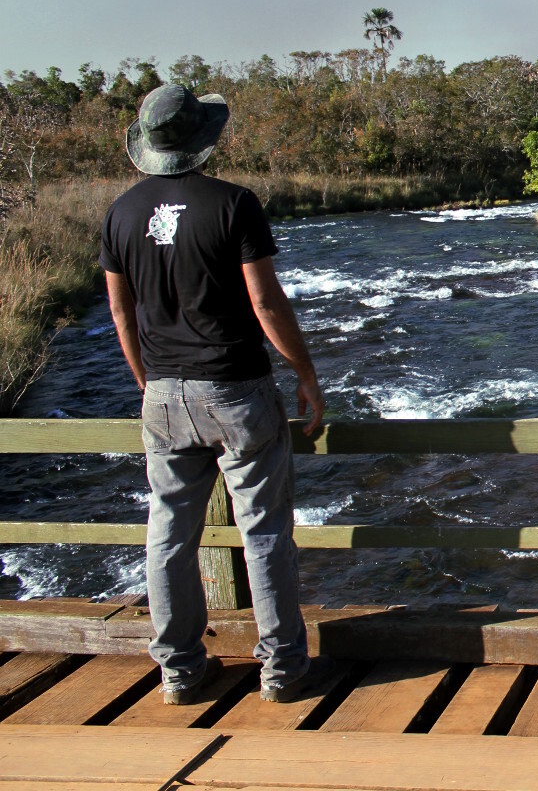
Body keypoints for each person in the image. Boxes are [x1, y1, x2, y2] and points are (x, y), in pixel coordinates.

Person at [101, 83, 333, 704]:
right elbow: (263, 300)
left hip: (163, 395)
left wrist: (148, 383)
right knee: (263, 532)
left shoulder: (121, 213)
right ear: (204, 139)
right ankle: (282, 672)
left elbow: (121, 315)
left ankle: (180, 671)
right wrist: (305, 373)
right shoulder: (234, 204)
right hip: (235, 388)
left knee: (168, 533)